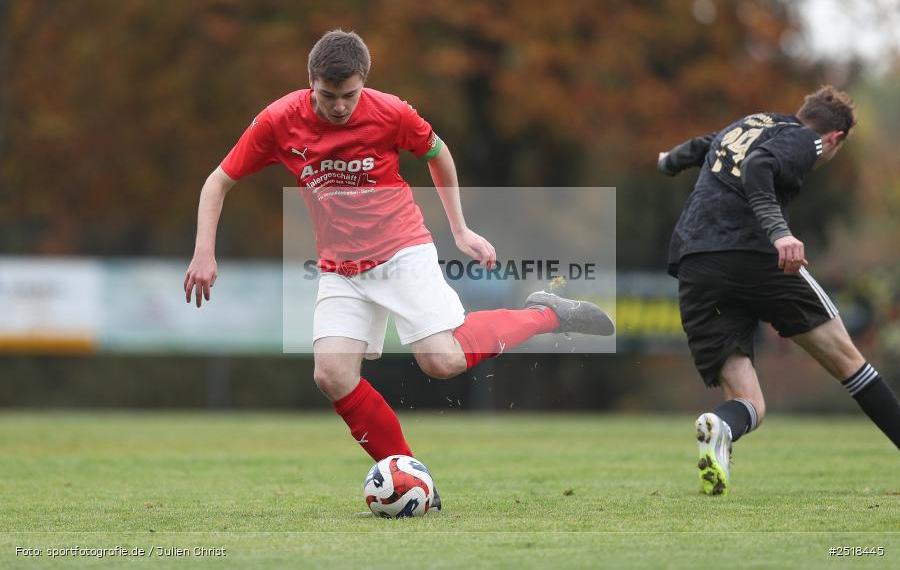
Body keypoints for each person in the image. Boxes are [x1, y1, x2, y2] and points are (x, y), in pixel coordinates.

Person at [184, 30, 614, 509]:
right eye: (328, 97)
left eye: (349, 95)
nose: (340, 107)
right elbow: (217, 183)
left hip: (401, 252)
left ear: (363, 83)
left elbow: (438, 154)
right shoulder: (279, 120)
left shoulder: (391, 112)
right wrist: (205, 251)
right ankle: (417, 485)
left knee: (443, 361)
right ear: (311, 84)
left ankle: (548, 314)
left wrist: (460, 230)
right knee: (331, 375)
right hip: (341, 269)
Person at [658, 85, 900, 496]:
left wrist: (668, 162)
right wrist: (780, 233)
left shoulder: (750, 123)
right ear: (835, 138)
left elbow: (703, 146)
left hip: (696, 261)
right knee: (849, 361)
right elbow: (758, 167)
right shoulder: (809, 141)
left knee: (750, 402)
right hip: (752, 254)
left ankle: (721, 428)